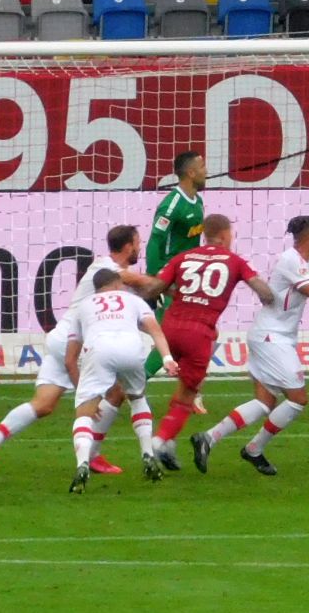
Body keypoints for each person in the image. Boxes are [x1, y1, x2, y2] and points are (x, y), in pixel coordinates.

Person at [190, 216, 309, 478]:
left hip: (270, 336)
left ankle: (209, 438)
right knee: (298, 399)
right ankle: (253, 448)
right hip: (272, 338)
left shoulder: (302, 264)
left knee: (264, 402)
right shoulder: (291, 260)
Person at [0, 224, 161, 478]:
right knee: (117, 392)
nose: (140, 247)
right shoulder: (107, 269)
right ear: (129, 246)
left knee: (43, 403)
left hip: (60, 338)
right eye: (138, 243)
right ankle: (92, 455)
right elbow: (145, 283)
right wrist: (173, 281)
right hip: (77, 343)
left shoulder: (112, 273)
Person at [149, 214, 274, 465]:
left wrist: (174, 292)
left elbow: (153, 288)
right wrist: (270, 297)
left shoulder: (183, 257)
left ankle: (168, 443)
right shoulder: (235, 260)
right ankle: (159, 441)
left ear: (204, 234)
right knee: (188, 392)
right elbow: (264, 292)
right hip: (199, 333)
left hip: (170, 327)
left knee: (179, 385)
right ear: (226, 235)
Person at [62, 269, 175, 489]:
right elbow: (156, 331)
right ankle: (147, 454)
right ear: (116, 284)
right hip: (131, 347)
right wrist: (167, 358)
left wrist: (83, 393)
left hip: (99, 349)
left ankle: (83, 463)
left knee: (84, 414)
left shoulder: (82, 306)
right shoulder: (133, 300)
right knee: (137, 397)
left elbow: (70, 358)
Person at [144, 149, 209, 398]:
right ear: (191, 173)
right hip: (170, 281)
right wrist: (156, 280)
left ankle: (191, 391)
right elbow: (155, 241)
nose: (206, 172)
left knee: (188, 336)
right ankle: (132, 384)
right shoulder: (171, 205)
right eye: (202, 168)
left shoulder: (197, 201)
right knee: (171, 339)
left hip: (188, 280)